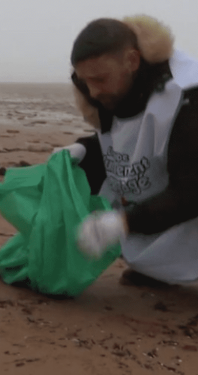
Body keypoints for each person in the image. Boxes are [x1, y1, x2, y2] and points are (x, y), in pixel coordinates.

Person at [55, 15, 198, 287]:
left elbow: (192, 190)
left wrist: (124, 222)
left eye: (100, 79)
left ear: (132, 61)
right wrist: (82, 150)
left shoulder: (187, 96)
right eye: (86, 82)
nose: (93, 92)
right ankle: (158, 267)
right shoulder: (109, 93)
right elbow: (120, 143)